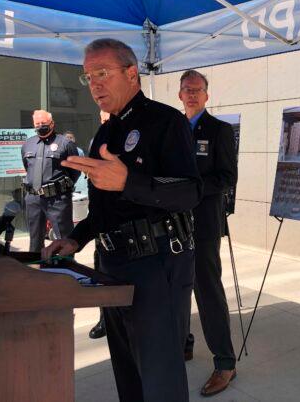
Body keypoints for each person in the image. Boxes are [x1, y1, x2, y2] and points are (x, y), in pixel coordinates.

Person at [41, 38, 202, 402]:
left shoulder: (166, 122)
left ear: (132, 73)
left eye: (102, 73)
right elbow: (103, 210)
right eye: (88, 77)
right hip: (112, 264)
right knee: (128, 374)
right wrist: (76, 240)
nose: (94, 84)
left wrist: (129, 182)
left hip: (157, 262)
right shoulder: (106, 131)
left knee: (159, 379)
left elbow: (190, 192)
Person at [179, 69, 238, 396]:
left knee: (207, 289)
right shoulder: (173, 129)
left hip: (203, 223)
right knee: (177, 286)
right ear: (179, 94)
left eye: (197, 90)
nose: (192, 95)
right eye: (187, 89)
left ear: (206, 95)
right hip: (172, 222)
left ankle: (226, 362)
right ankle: (184, 345)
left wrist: (192, 191)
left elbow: (227, 177)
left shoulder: (219, 130)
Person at [21, 110, 80, 252]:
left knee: (64, 239)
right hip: (33, 198)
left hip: (57, 199)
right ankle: (37, 270)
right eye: (37, 124)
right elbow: (27, 167)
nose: (40, 126)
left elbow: (75, 170)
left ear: (52, 123)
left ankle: (65, 270)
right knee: (35, 240)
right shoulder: (28, 144)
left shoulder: (65, 143)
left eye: (44, 123)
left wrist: (59, 187)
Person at [88, 111, 111, 340]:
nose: (106, 122)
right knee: (100, 271)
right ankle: (104, 319)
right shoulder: (96, 140)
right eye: (103, 119)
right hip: (100, 219)